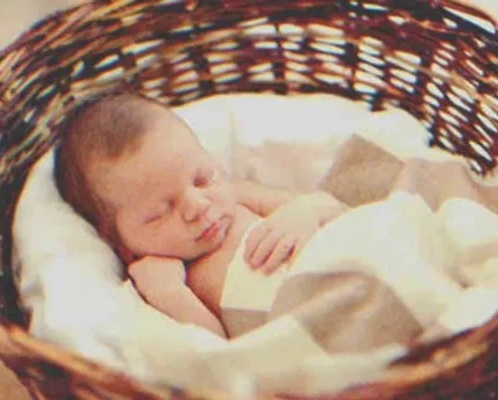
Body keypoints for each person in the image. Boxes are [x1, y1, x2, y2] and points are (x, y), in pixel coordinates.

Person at [54, 91, 348, 338]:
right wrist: (170, 294)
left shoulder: (242, 197)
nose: (197, 205)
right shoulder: (159, 282)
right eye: (160, 212)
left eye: (203, 178)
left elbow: (337, 209)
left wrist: (302, 212)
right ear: (123, 245)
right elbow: (213, 352)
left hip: (342, 272)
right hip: (303, 331)